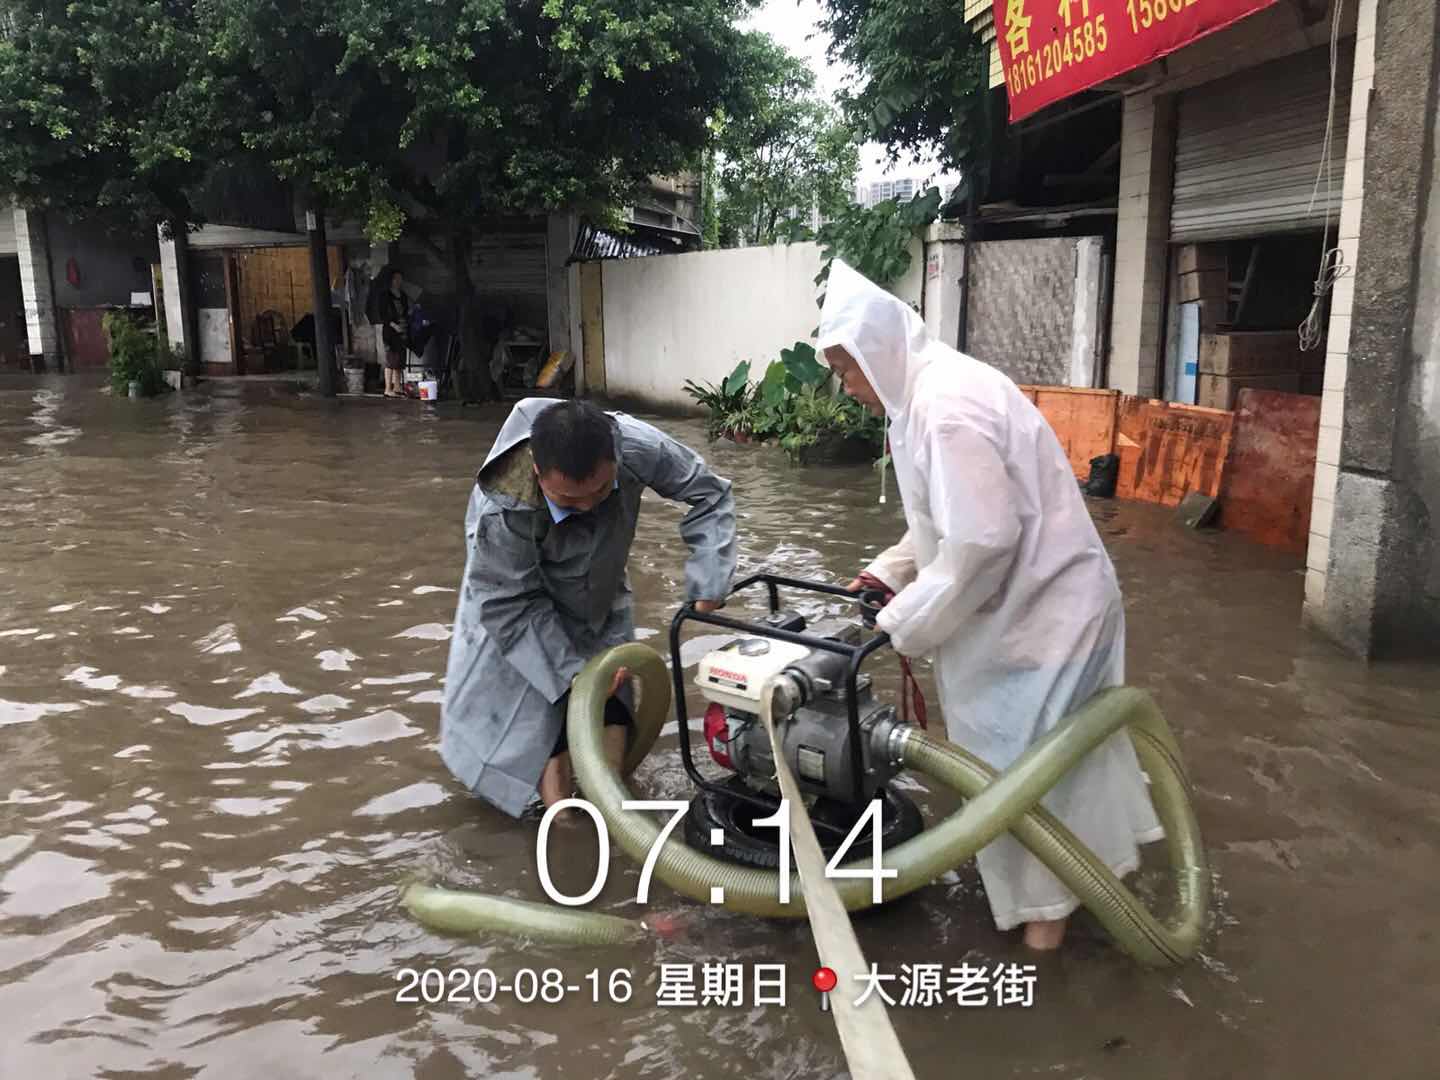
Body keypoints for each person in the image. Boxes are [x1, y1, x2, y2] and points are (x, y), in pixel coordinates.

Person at [817, 259, 1164, 952]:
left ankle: (1045, 932)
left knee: (1023, 780)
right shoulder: (922, 398)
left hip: (1047, 619)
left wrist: (901, 622)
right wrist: (888, 572)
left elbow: (980, 542)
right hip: (1037, 609)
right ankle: (1091, 890)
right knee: (1059, 771)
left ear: (876, 351)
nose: (846, 386)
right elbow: (942, 522)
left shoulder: (944, 409)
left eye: (847, 369)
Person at [441, 398, 737, 816]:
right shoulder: (504, 506)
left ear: (614, 457)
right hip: (518, 602)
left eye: (600, 492)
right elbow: (508, 602)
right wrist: (573, 677)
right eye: (568, 500)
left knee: (611, 694)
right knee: (542, 715)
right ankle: (561, 821)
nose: (587, 507)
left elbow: (710, 494)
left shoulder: (637, 446)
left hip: (598, 587)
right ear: (537, 472)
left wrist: (711, 572)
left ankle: (611, 805)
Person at [377, 267, 410, 397]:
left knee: (400, 360)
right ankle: (387, 388)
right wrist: (394, 325)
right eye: (396, 278)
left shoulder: (403, 296)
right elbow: (382, 314)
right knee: (391, 358)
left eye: (400, 278)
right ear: (391, 280)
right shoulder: (384, 295)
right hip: (390, 331)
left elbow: (406, 312)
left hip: (402, 330)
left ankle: (397, 387)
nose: (398, 281)